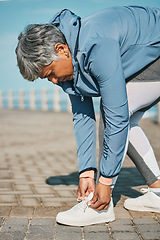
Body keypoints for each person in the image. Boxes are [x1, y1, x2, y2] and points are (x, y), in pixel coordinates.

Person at [15, 6, 160, 226]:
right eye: (47, 79)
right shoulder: (69, 66)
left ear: (61, 49)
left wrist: (105, 182)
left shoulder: (95, 44)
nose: (54, 81)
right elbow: (82, 116)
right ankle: (158, 194)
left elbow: (116, 115)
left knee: (115, 115)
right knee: (119, 118)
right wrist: (86, 171)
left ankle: (100, 208)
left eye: (51, 73)